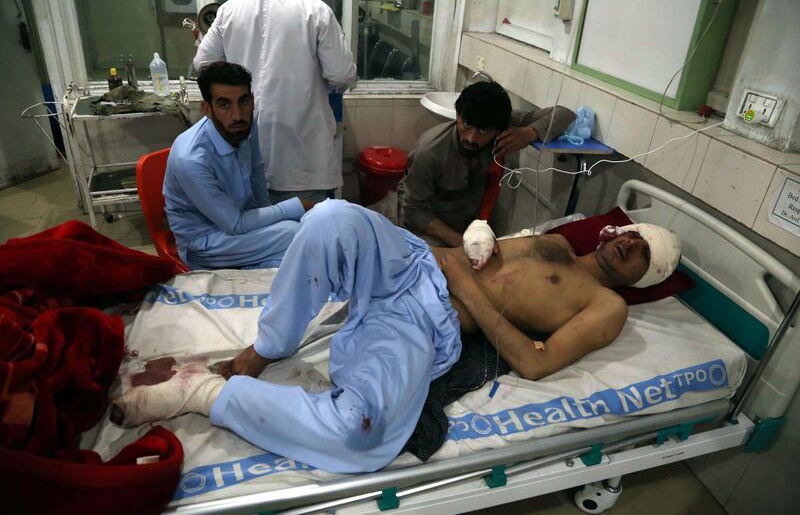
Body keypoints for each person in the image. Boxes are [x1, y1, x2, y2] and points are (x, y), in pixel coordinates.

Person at [111, 201, 681, 473]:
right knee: (331, 217)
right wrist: (476, 237)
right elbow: (489, 252)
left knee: (363, 431)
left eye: (644, 254)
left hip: (425, 321)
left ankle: (203, 394)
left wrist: (462, 279)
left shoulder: (607, 306)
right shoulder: (558, 237)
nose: (631, 244)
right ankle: (267, 346)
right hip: (410, 261)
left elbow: (534, 364)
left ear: (648, 278)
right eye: (634, 235)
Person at [194, 0, 357, 205]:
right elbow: (341, 74)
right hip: (301, 160)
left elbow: (203, 64)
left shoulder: (230, 10)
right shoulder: (315, 10)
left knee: (259, 233)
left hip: (244, 152)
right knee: (306, 233)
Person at [163, 62, 314, 270]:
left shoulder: (244, 127)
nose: (237, 115)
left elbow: (256, 172)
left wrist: (268, 215)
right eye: (224, 104)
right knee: (293, 233)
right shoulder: (191, 160)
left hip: (238, 224)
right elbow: (234, 224)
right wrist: (296, 207)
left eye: (243, 101)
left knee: (305, 241)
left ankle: (255, 271)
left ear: (252, 100)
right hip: (205, 243)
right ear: (208, 108)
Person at [398, 81, 576, 247]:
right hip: (428, 230)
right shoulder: (429, 153)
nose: (471, 138)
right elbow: (414, 212)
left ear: (498, 127)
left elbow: (564, 113)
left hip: (467, 223)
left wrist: (529, 133)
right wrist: (462, 243)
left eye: (483, 130)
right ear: (458, 115)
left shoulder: (497, 120)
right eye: (466, 124)